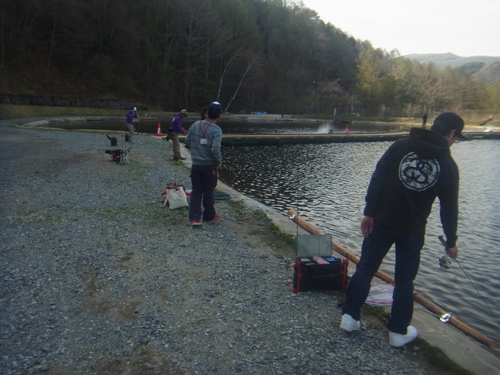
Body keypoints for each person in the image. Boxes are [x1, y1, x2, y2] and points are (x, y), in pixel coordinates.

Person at [340, 112, 465, 347]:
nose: (453, 142)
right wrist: (451, 242)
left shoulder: (400, 146)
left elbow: (377, 179)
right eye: (456, 138)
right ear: (451, 134)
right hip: (413, 231)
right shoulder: (448, 165)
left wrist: (369, 213)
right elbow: (449, 208)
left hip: (382, 222)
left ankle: (349, 317)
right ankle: (398, 332)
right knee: (404, 282)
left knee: (366, 268)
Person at [185, 102, 223, 226]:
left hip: (196, 164)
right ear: (219, 115)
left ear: (207, 113)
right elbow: (215, 149)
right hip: (209, 166)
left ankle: (194, 218)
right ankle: (209, 215)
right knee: (208, 191)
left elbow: (187, 141)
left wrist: (196, 152)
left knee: (196, 191)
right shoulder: (216, 130)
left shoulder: (195, 124)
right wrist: (218, 162)